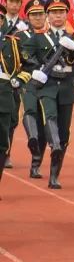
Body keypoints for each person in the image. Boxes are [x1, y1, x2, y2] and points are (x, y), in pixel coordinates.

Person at [21, 0, 74, 189]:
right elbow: (24, 56)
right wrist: (36, 70)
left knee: (64, 133)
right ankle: (51, 147)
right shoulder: (38, 38)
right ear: (48, 15)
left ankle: (54, 175)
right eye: (54, 12)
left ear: (66, 14)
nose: (58, 15)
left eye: (61, 12)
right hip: (46, 86)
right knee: (50, 117)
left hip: (66, 88)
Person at [13, 0, 47, 178]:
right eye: (34, 15)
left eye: (41, 14)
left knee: (44, 125)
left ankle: (36, 164)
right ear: (28, 17)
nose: (38, 17)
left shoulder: (53, 35)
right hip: (28, 81)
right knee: (30, 110)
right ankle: (32, 139)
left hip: (50, 84)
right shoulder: (20, 36)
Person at [2, 0, 28, 169]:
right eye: (11, 1)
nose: (15, 4)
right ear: (5, 2)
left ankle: (6, 153)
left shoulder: (25, 26)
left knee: (11, 119)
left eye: (18, 1)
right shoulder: (1, 22)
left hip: (15, 80)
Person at [0, 25, 21, 194]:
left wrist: (20, 79)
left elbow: (28, 64)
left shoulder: (12, 42)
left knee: (1, 145)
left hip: (4, 96)